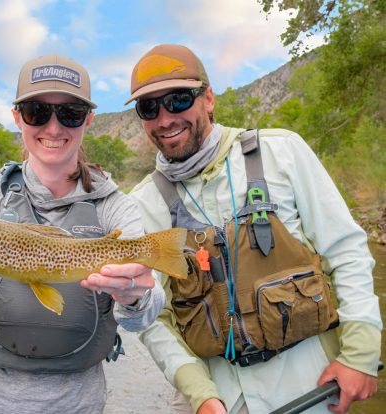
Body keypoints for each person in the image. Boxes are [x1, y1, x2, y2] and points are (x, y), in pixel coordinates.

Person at [125, 44, 382, 414]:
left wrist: (359, 354)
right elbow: (155, 317)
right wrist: (199, 395)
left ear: (208, 99)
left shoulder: (283, 152)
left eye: (179, 100)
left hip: (311, 384)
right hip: (217, 398)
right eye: (149, 108)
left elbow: (347, 251)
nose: (165, 118)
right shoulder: (143, 203)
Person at [0, 54, 166, 414]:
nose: (54, 128)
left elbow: (144, 316)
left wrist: (134, 296)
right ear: (16, 117)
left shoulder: (116, 207)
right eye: (37, 111)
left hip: (78, 405)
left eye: (70, 113)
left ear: (89, 120)